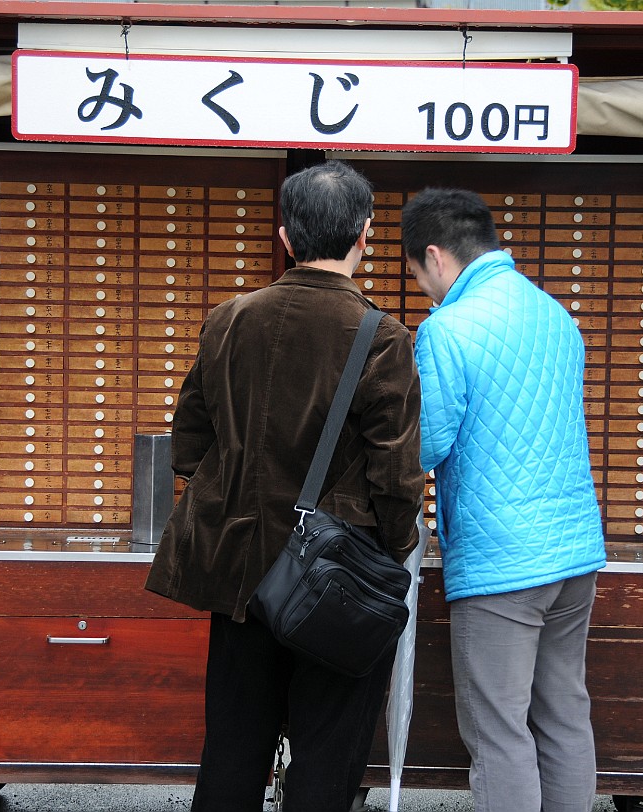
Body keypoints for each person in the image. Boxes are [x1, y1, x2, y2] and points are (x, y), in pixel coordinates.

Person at [145, 160, 424, 812]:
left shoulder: (229, 320)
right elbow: (396, 477)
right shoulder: (381, 338)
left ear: (286, 238)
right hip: (336, 578)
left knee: (233, 754)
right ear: (365, 235)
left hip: (238, 571)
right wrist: (388, 550)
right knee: (324, 766)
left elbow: (188, 444)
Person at [401, 188, 606, 812]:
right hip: (574, 556)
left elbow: (424, 446)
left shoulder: (447, 330)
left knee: (500, 733)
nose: (422, 288)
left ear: (434, 256)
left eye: (417, 274)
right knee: (565, 714)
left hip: (501, 567)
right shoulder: (556, 315)